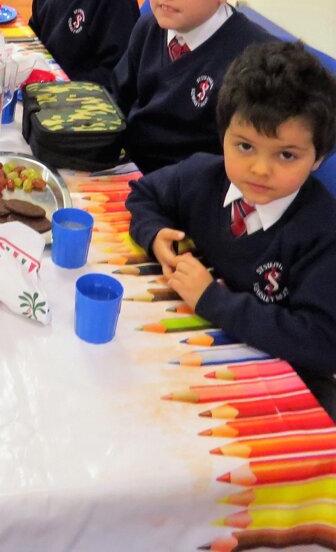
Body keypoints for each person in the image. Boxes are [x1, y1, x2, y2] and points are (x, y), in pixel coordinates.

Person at [126, 41, 336, 417]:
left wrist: (213, 301)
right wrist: (154, 234)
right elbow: (144, 194)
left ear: (318, 157)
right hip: (195, 360)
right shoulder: (203, 175)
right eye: (244, 146)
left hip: (285, 392)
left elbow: (321, 342)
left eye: (286, 155)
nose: (259, 169)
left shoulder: (323, 231)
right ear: (223, 135)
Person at [111, 0, 273, 173]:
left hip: (186, 195)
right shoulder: (149, 27)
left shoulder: (256, 59)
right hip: (126, 168)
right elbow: (116, 100)